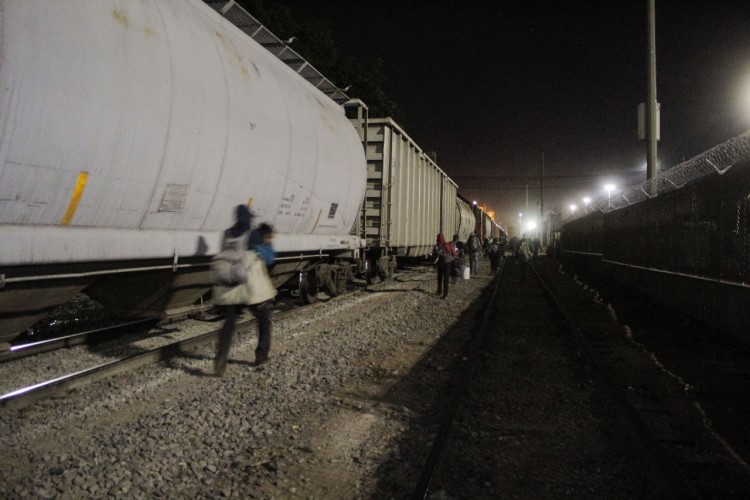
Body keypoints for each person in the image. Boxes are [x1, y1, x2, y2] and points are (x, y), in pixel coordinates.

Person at [213, 206, 277, 376]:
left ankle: (220, 358)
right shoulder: (254, 234)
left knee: (228, 325)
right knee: (264, 320)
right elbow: (270, 258)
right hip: (250, 287)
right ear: (249, 219)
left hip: (229, 288)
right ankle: (261, 356)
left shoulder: (226, 234)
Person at [430, 233, 456, 299]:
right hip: (447, 263)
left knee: (440, 278)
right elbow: (454, 253)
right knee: (446, 280)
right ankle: (445, 295)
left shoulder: (436, 246)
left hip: (440, 265)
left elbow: (433, 257)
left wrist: (434, 265)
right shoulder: (448, 245)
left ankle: (439, 291)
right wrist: (451, 259)